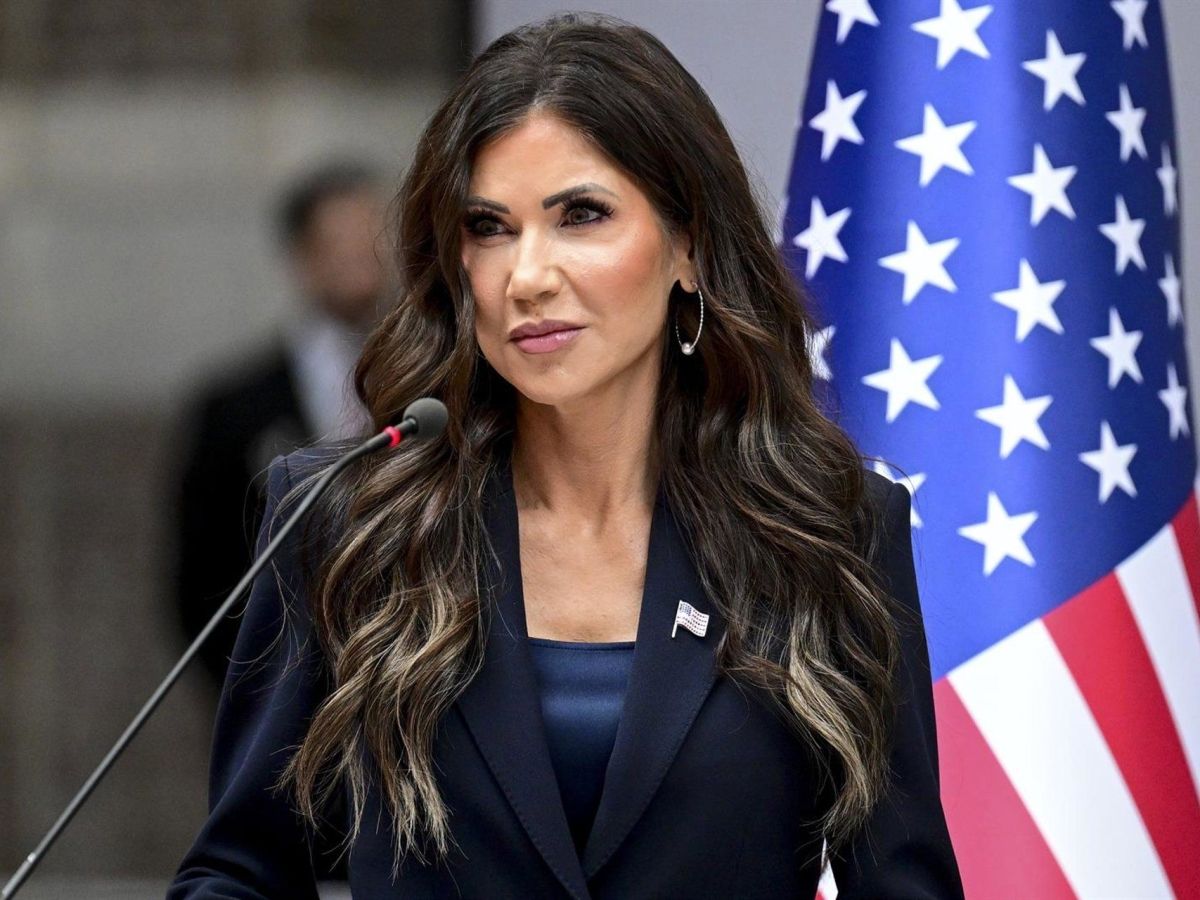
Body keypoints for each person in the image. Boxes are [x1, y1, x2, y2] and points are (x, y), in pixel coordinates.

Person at [169, 13, 963, 899]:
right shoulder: (349, 524)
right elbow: (238, 872)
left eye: (580, 215)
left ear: (688, 245)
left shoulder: (829, 529)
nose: (528, 276)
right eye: (489, 227)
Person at [173, 161, 388, 691]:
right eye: (341, 243)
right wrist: (253, 692)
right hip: (279, 690)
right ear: (303, 257)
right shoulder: (236, 408)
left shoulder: (431, 386)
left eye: (374, 241)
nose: (362, 259)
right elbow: (201, 578)